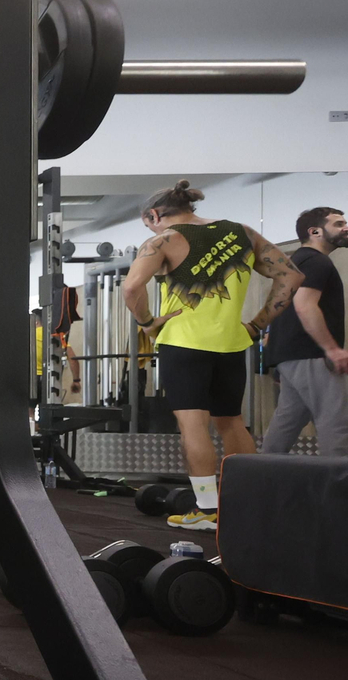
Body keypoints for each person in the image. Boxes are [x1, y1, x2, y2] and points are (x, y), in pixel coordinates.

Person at [122, 180, 303, 530]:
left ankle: (207, 510)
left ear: (154, 215)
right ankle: (250, 502)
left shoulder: (163, 240)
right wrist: (257, 324)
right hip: (232, 343)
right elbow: (291, 275)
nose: (151, 228)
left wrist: (147, 323)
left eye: (149, 223)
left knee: (193, 424)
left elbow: (131, 287)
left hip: (183, 343)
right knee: (231, 421)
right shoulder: (242, 233)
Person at [261, 206, 348, 456]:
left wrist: (278, 357)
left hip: (292, 357)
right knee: (336, 422)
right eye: (339, 223)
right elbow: (304, 305)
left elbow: (277, 308)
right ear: (315, 231)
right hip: (311, 356)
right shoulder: (317, 261)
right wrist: (332, 349)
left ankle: (266, 480)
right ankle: (337, 491)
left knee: (287, 423)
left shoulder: (294, 262)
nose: (346, 227)